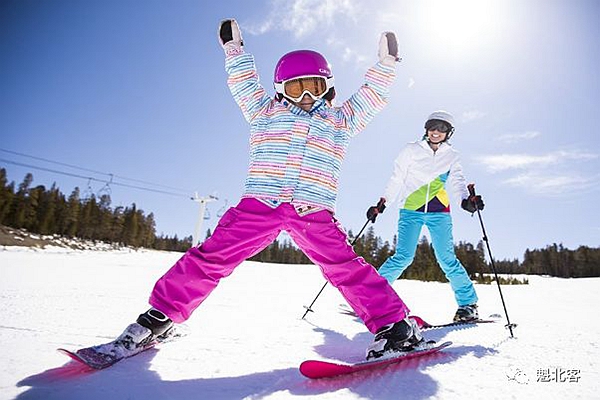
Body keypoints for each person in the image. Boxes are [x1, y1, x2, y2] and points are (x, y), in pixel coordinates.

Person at [106, 19, 430, 362]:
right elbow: (243, 83)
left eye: (313, 86)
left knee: (345, 267)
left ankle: (395, 326)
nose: (305, 96)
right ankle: (159, 318)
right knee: (210, 257)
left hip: (313, 210)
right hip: (259, 205)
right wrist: (234, 51)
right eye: (295, 89)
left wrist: (387, 65)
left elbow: (372, 97)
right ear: (280, 90)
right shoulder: (264, 112)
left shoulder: (340, 120)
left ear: (327, 87)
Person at [367, 111, 485, 322]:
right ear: (426, 129)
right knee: (403, 257)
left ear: (449, 132)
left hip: (439, 211)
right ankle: (371, 297)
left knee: (447, 258)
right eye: (433, 127)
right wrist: (382, 203)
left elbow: (458, 181)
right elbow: (397, 178)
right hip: (410, 210)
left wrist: (466, 202)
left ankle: (468, 305)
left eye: (442, 128)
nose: (436, 132)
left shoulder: (452, 155)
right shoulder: (411, 150)